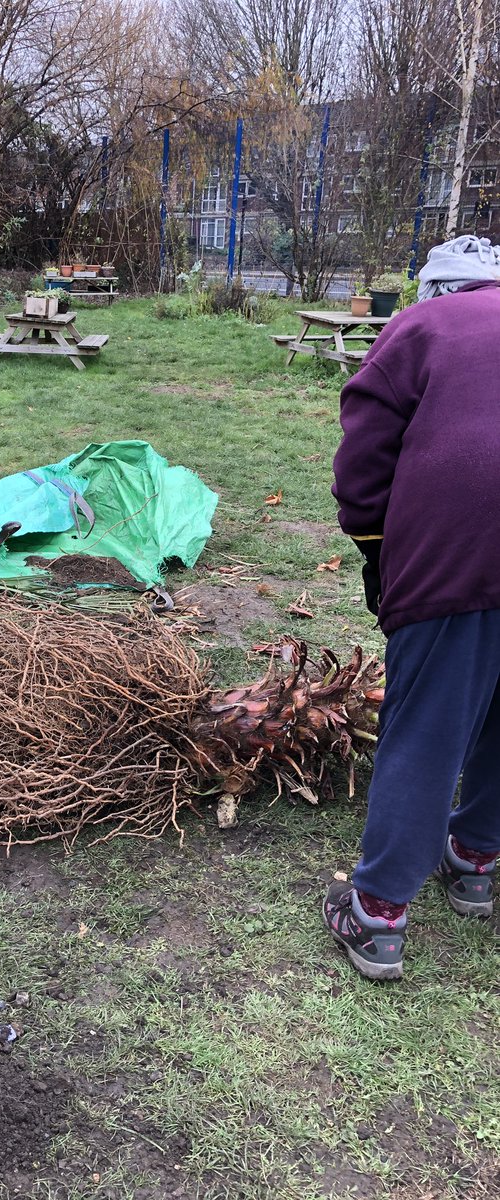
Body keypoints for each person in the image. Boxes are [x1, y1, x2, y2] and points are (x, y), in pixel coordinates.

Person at [323, 234, 500, 980]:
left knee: (427, 722)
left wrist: (375, 549)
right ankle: (474, 859)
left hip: (462, 545)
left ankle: (377, 913)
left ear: (434, 287)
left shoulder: (420, 327)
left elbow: (364, 462)